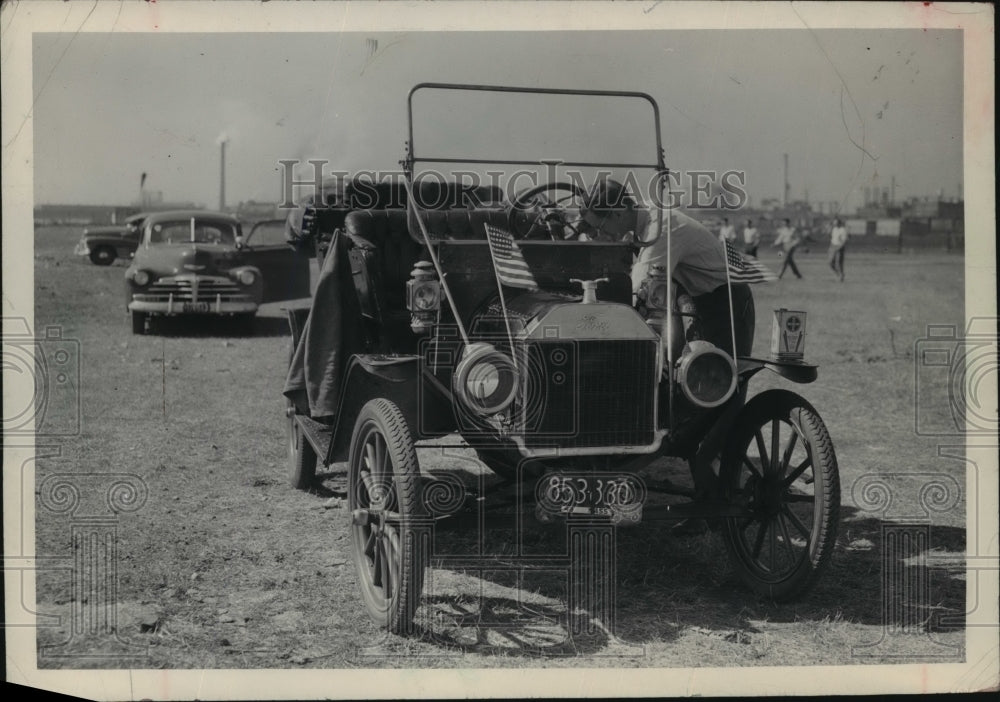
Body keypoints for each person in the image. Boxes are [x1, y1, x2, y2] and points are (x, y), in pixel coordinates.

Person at [580, 179, 755, 529]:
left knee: (715, 394)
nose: (604, 235)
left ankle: (720, 497)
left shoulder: (661, 230)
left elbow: (640, 287)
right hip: (696, 301)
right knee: (679, 387)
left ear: (619, 212)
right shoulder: (642, 225)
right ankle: (702, 487)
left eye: (603, 227)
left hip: (726, 303)